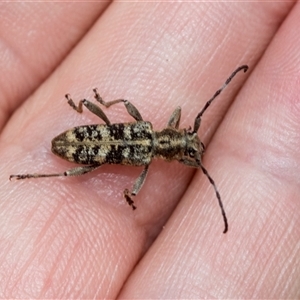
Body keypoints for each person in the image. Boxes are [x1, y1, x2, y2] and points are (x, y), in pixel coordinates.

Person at [0, 2, 299, 298]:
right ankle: (34, 172)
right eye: (185, 137)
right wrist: (129, 195)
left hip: (84, 143)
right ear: (174, 151)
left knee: (79, 165)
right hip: (74, 143)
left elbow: (170, 111)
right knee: (73, 171)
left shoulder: (142, 128)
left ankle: (82, 118)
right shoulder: (144, 160)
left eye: (185, 141)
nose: (187, 139)